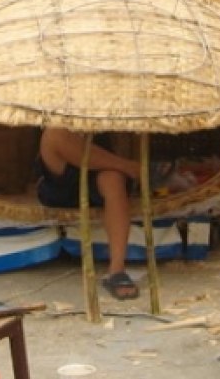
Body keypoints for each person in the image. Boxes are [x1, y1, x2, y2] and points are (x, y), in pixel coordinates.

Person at [36, 126, 142, 300]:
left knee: (113, 179)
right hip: (62, 181)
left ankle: (117, 270)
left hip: (100, 172)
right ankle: (125, 166)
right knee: (54, 134)